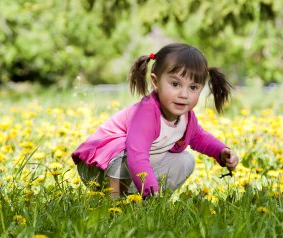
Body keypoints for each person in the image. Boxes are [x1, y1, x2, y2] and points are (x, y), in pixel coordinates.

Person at [72, 43, 239, 198]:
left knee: (185, 160)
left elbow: (200, 137)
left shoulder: (186, 117)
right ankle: (114, 201)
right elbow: (136, 157)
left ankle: (147, 201)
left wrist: (221, 151)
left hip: (131, 169)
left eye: (193, 87)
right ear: (155, 82)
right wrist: (150, 193)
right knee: (123, 151)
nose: (184, 94)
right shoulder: (146, 114)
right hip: (96, 168)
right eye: (175, 84)